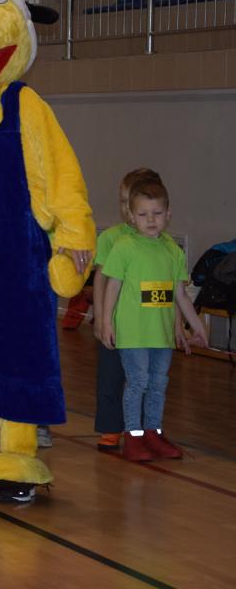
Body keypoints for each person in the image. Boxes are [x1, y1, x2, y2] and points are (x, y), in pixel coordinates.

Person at [100, 179, 207, 462]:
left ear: (168, 214)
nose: (151, 220)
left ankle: (153, 432)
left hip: (161, 334)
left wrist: (196, 325)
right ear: (131, 216)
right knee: (138, 382)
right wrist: (107, 322)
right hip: (134, 333)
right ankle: (133, 436)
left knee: (159, 383)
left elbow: (180, 295)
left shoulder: (173, 251)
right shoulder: (124, 247)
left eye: (157, 213)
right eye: (143, 214)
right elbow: (112, 286)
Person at [91, 168, 162, 451]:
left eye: (128, 201)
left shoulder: (161, 243)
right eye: (122, 201)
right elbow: (101, 278)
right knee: (110, 377)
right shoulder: (112, 238)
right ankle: (111, 427)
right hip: (116, 324)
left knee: (145, 379)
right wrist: (101, 318)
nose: (124, 208)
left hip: (146, 327)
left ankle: (143, 428)